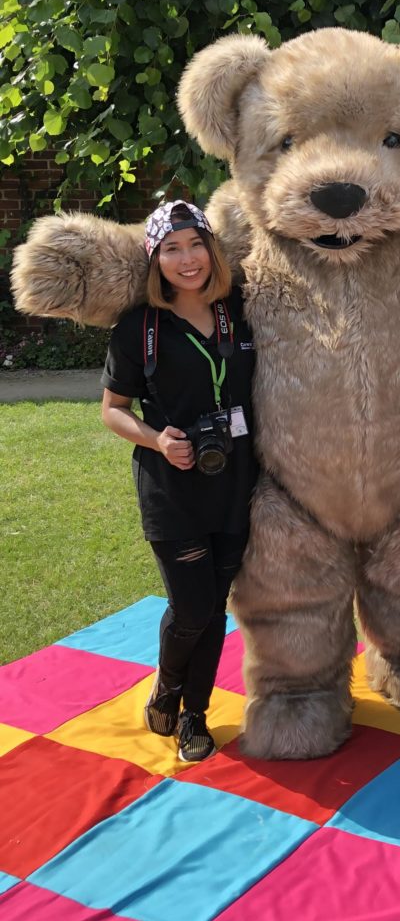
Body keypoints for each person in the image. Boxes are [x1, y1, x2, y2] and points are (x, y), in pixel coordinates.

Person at [101, 200, 257, 763]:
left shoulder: (238, 310)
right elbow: (112, 410)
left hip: (235, 480)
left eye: (196, 245)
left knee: (215, 607)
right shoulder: (138, 327)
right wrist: (159, 440)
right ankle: (168, 686)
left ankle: (195, 714)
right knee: (192, 608)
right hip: (172, 487)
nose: (187, 260)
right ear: (156, 258)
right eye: (172, 249)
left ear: (212, 250)